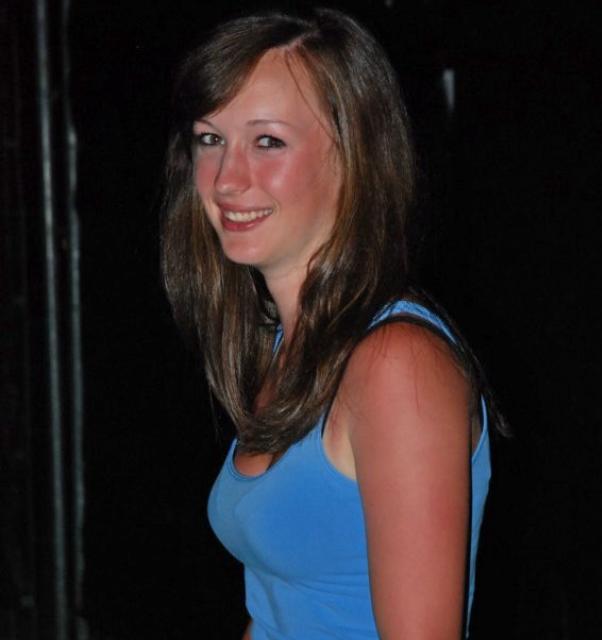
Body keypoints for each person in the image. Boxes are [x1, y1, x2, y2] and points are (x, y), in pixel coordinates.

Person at [161, 7, 502, 639]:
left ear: (353, 155)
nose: (227, 179)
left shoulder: (396, 364)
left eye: (268, 141)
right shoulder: (287, 347)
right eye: (210, 139)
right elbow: (278, 611)